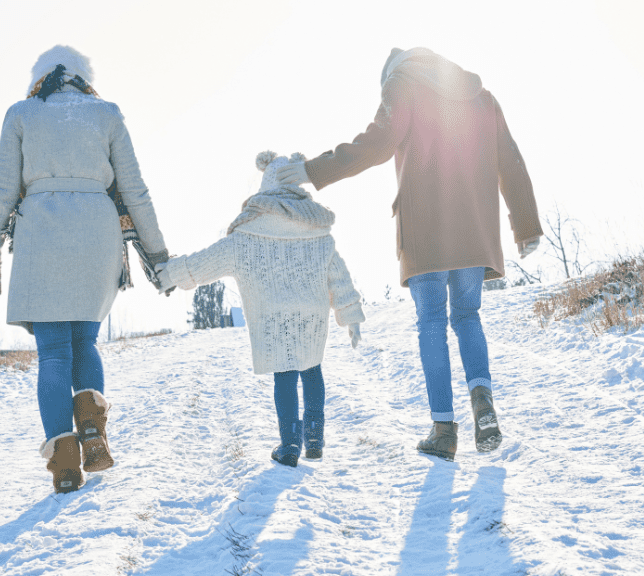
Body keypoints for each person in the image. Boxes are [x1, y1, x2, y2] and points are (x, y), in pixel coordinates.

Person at [276, 47, 543, 461]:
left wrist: (314, 170)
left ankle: (443, 430)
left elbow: (378, 143)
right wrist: (525, 225)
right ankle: (482, 397)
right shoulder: (481, 97)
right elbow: (510, 158)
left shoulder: (402, 87)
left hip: (425, 230)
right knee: (468, 317)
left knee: (432, 322)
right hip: (474, 228)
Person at [0, 46, 170, 493]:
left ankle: (65, 465)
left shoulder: (22, 114)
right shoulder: (107, 113)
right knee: (84, 341)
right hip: (96, 235)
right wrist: (158, 255)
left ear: (40, 78)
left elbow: (2, 189)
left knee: (54, 354)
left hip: (41, 232)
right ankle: (93, 434)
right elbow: (135, 190)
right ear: (83, 77)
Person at [157, 151, 365, 468]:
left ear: (264, 188)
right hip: (312, 315)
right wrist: (350, 317)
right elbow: (340, 278)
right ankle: (315, 438)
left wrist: (168, 275)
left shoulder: (246, 236)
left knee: (284, 375)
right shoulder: (318, 231)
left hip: (272, 316)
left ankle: (290, 444)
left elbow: (203, 264)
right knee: (312, 368)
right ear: (297, 188)